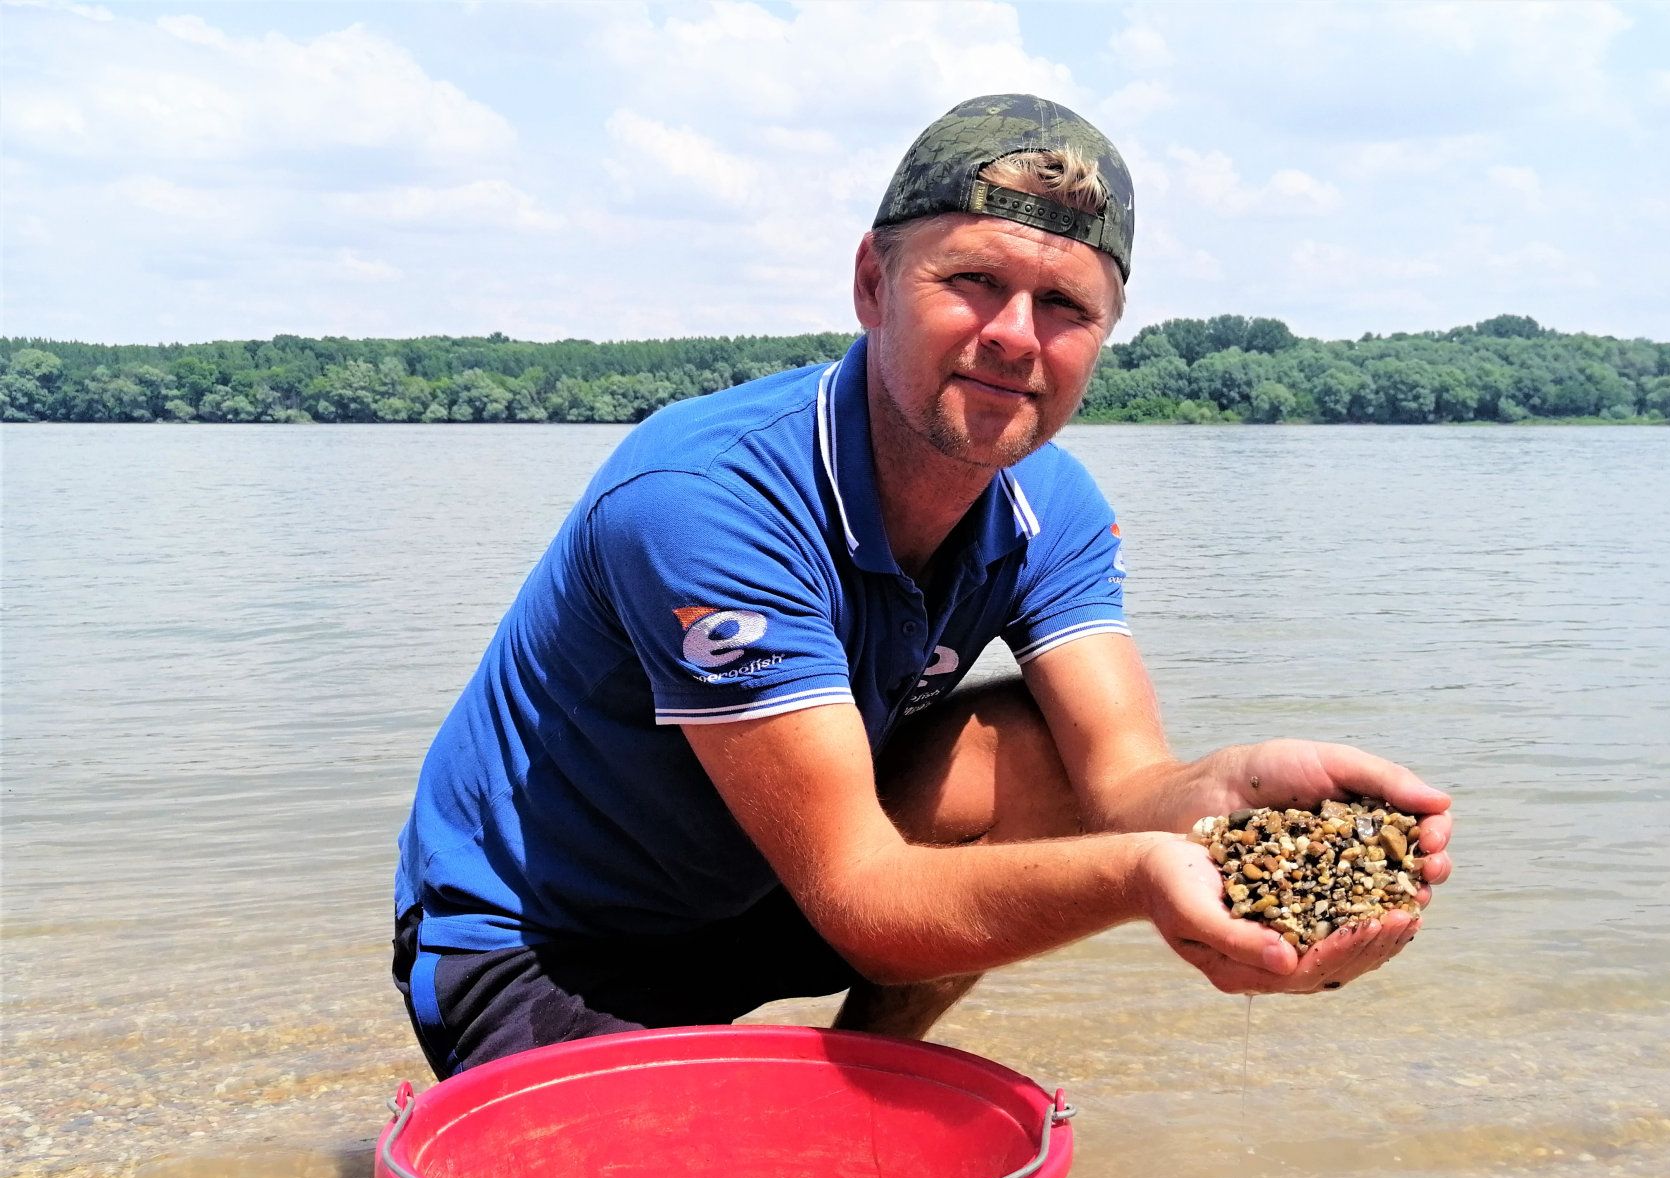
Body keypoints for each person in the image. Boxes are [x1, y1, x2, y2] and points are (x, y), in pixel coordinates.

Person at [391, 94, 1453, 1079]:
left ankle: (865, 1089)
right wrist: (1136, 881)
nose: (1012, 338)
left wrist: (1224, 799)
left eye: (1063, 306)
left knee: (1037, 752)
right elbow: (859, 896)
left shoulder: (1052, 504)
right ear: (871, 285)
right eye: (972, 283)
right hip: (545, 936)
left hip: (764, 893)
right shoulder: (704, 497)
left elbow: (1123, 788)